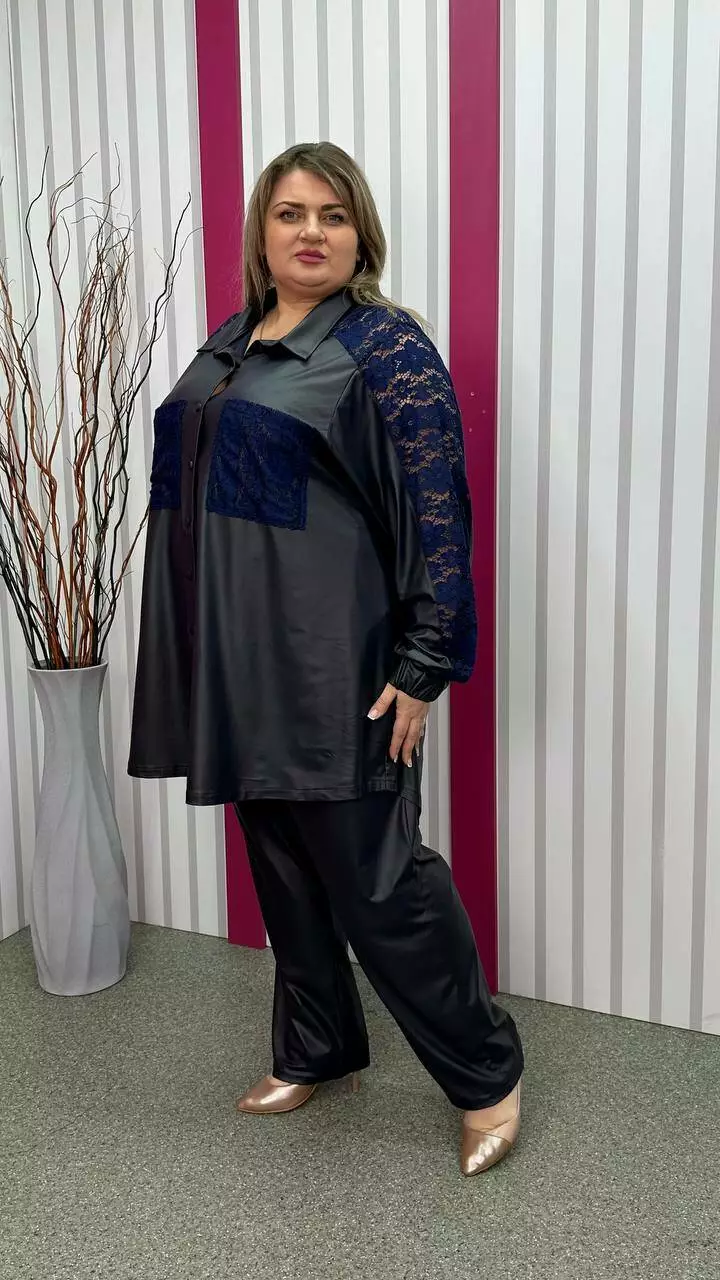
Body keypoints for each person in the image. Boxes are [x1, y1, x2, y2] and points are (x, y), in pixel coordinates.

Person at [128, 141, 524, 1175]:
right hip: (239, 661)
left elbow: (439, 510)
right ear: (261, 231)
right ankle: (318, 1046)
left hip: (341, 662)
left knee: (379, 878)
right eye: (291, 212)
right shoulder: (232, 342)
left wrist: (425, 659)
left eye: (333, 215)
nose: (311, 232)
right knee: (285, 867)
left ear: (361, 235)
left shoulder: (385, 345)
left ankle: (487, 1074)